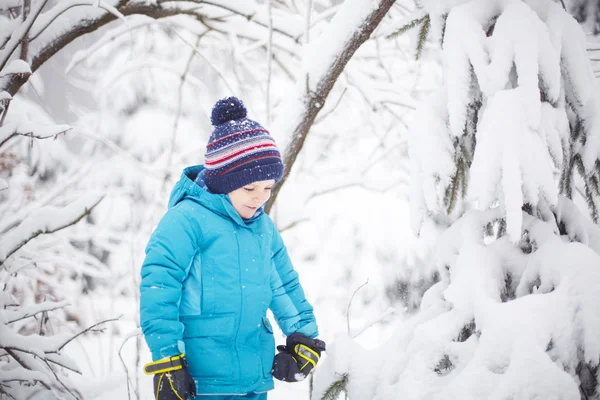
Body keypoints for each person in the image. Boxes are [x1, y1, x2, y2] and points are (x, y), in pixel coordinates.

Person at [139, 96, 325, 400]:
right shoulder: (186, 221)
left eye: (268, 188)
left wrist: (304, 336)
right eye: (249, 188)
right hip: (198, 383)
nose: (259, 198)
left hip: (254, 380)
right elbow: (159, 285)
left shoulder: (262, 228)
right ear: (222, 181)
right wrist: (166, 358)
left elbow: (283, 284)